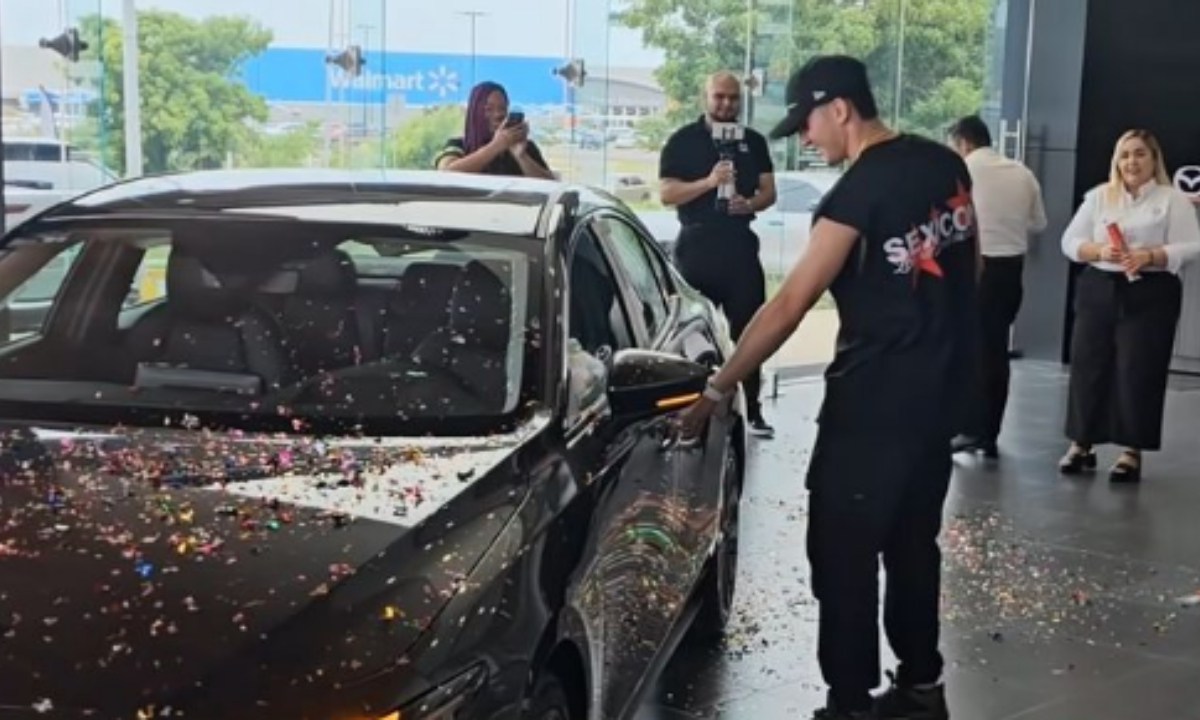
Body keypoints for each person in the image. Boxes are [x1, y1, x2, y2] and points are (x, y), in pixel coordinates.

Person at [678, 55, 979, 720]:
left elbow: (790, 303)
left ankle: (849, 701)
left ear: (840, 108)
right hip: (935, 401)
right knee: (911, 544)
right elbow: (970, 270)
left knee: (841, 553)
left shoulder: (854, 196)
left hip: (871, 405)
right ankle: (922, 686)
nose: (807, 138)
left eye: (808, 123)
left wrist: (720, 387)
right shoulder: (944, 166)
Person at [1059, 129, 1200, 482]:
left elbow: (1192, 247)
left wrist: (1150, 255)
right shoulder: (1099, 197)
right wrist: (1097, 251)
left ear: (1154, 160)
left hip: (1150, 292)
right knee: (1088, 365)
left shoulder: (1172, 200)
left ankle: (1130, 450)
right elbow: (1069, 241)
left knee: (1138, 370)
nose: (1131, 162)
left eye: (1139, 154)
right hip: (1099, 287)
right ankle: (1082, 442)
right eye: (1124, 155)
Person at [658, 70, 778, 437]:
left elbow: (768, 192)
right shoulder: (682, 141)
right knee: (692, 333)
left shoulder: (754, 141)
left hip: (740, 247)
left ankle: (753, 407)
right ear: (705, 98)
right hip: (696, 247)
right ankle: (689, 407)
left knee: (751, 330)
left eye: (733, 98)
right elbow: (666, 194)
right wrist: (708, 183)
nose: (726, 104)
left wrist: (750, 203)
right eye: (719, 97)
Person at [947, 115, 1047, 458]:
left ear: (962, 143)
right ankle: (989, 432)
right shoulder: (1022, 172)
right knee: (995, 351)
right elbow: (1038, 223)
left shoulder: (961, 171)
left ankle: (968, 429)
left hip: (975, 267)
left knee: (969, 350)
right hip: (1010, 271)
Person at [435, 81, 555, 179]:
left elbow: (550, 185)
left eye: (503, 108)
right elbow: (446, 173)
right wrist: (496, 146)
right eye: (489, 109)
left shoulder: (526, 147)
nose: (498, 115)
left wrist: (521, 156)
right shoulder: (459, 144)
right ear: (475, 113)